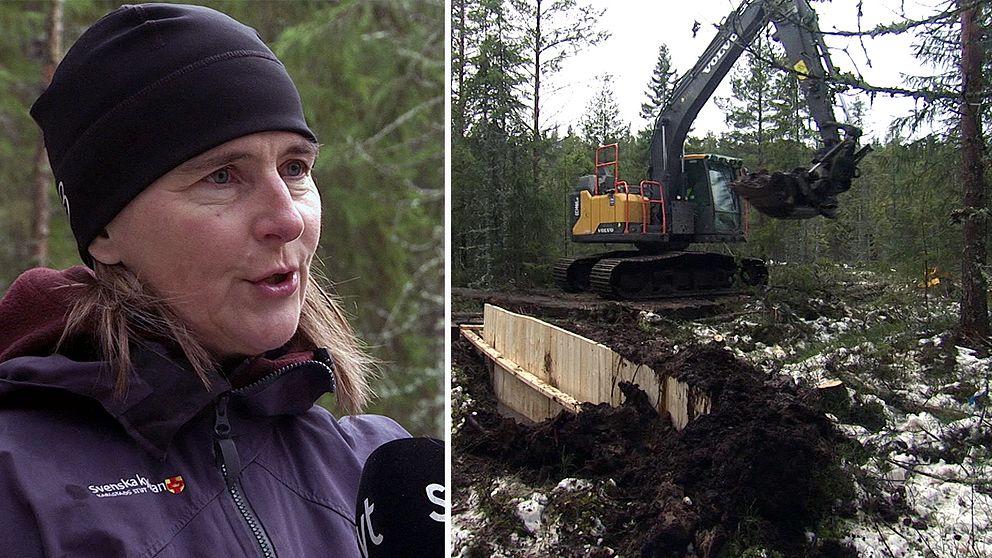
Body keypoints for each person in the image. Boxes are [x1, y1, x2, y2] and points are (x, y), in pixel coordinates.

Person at [0, 4, 415, 556]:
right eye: (221, 176)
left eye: (295, 168)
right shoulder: (19, 490)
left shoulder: (379, 470)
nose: (287, 219)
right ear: (105, 231)